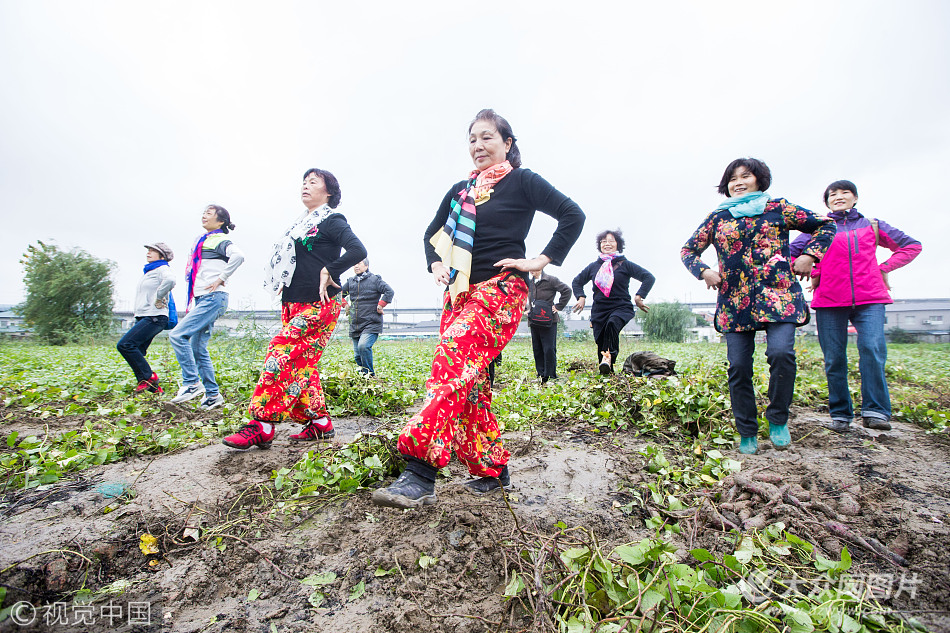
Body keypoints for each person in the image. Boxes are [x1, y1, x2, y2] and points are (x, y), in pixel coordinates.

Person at [371, 108, 585, 508]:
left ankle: (420, 470)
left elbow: (572, 215)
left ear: (507, 144)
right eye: (472, 139)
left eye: (487, 137)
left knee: (452, 360)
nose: (478, 146)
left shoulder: (523, 180)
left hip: (501, 289)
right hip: (460, 292)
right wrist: (435, 263)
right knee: (469, 385)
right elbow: (431, 235)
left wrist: (540, 259)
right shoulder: (460, 192)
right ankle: (492, 471)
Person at [681, 158, 835, 455]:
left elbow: (826, 225)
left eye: (745, 176)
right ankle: (747, 430)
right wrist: (703, 270)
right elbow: (688, 249)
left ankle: (778, 418)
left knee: (781, 354)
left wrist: (810, 256)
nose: (738, 182)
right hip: (735, 300)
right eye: (732, 179)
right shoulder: (718, 217)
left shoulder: (777, 207)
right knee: (739, 367)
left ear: (759, 180)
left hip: (778, 295)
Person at [222, 168, 366, 450]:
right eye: (304, 181)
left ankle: (261, 424)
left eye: (313, 182)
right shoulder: (300, 224)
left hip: (320, 303)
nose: (305, 186)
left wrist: (330, 269)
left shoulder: (332, 220)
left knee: (280, 351)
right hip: (293, 301)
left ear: (328, 192)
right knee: (304, 365)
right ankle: (320, 424)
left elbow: (357, 250)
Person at [790, 180, 921, 433]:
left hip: (870, 298)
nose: (838, 196)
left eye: (844, 192)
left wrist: (882, 268)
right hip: (829, 300)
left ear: (855, 198)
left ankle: (876, 411)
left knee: (872, 349)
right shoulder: (817, 229)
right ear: (827, 202)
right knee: (834, 358)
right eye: (832, 194)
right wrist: (814, 268)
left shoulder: (872, 225)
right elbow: (788, 254)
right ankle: (840, 413)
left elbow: (911, 246)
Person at [169, 205, 244, 410]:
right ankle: (212, 395)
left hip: (213, 297)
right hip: (203, 298)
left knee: (177, 335)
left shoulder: (219, 240)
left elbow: (238, 256)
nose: (204, 215)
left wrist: (222, 278)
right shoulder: (203, 240)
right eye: (204, 212)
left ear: (220, 221)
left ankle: (192, 383)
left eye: (209, 213)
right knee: (197, 348)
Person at [572, 229, 655, 374]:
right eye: (603, 241)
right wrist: (581, 297)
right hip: (599, 309)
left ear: (618, 244)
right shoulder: (594, 266)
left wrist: (639, 296)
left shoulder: (625, 264)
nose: (607, 244)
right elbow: (577, 281)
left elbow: (648, 277)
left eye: (611, 241)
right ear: (600, 245)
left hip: (621, 307)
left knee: (612, 324)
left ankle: (609, 358)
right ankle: (606, 373)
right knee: (601, 339)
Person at [117, 242, 176, 394]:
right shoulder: (149, 271)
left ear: (162, 256)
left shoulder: (162, 269)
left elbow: (170, 281)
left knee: (125, 345)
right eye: (148, 250)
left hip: (154, 316)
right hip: (145, 316)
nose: (148, 253)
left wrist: (159, 296)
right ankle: (154, 389)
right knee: (137, 350)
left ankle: (148, 377)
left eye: (152, 251)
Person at [340, 258, 394, 377]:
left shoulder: (375, 280)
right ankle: (364, 376)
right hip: (355, 322)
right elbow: (339, 294)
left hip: (371, 321)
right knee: (357, 356)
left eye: (359, 263)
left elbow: (389, 291)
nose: (356, 266)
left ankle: (370, 376)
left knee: (363, 346)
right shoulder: (351, 281)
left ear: (366, 265)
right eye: (354, 264)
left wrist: (381, 304)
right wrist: (345, 305)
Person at [526, 269, 571, 383]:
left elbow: (567, 290)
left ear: (541, 267)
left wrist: (558, 306)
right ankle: (541, 375)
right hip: (534, 319)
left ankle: (550, 376)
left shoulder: (550, 280)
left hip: (548, 319)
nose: (532, 271)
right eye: (530, 269)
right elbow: (525, 297)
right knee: (537, 348)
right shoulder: (529, 282)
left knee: (549, 348)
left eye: (535, 268)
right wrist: (527, 309)